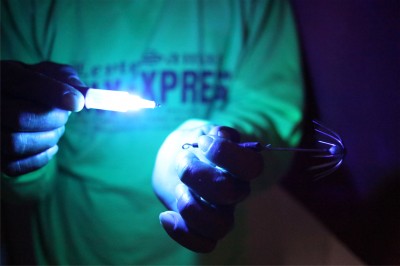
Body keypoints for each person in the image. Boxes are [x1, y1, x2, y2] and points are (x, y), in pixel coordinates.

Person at [1, 0, 304, 264]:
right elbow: (24, 186)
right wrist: (21, 151)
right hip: (65, 252)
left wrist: (214, 155)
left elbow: (273, 113)